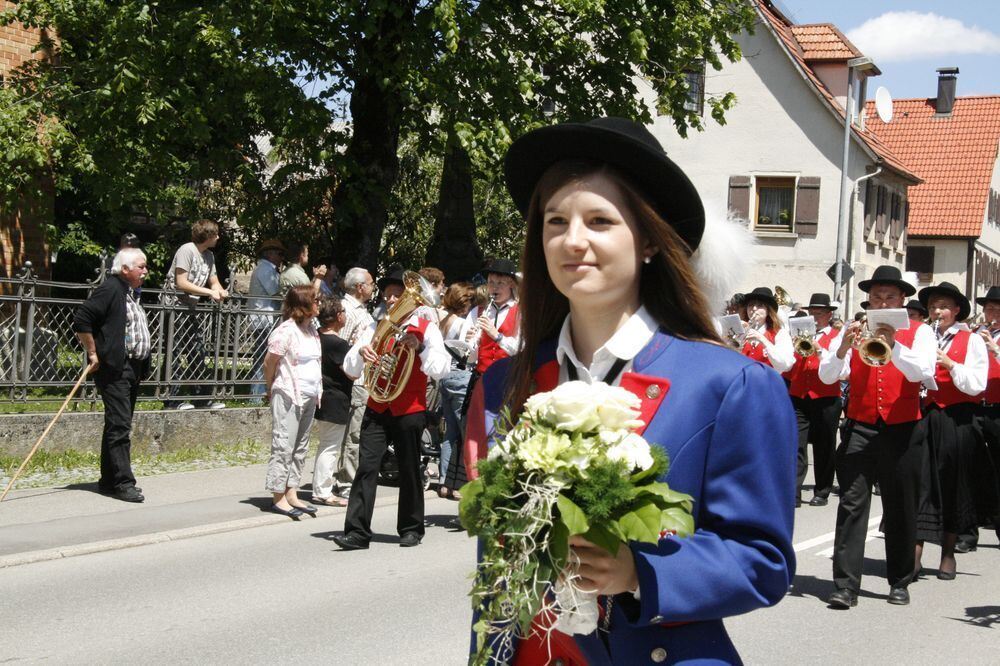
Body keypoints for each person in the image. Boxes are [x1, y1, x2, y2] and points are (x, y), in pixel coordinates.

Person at [464, 117, 797, 664]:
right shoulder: (505, 381)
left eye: (599, 220)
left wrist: (638, 571)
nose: (573, 241)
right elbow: (496, 565)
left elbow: (763, 561)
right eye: (554, 222)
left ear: (646, 241)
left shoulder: (730, 384)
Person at [819, 265, 936, 608]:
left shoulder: (920, 332)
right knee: (852, 505)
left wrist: (894, 344)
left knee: (900, 506)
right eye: (876, 297)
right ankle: (845, 586)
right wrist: (841, 347)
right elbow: (828, 377)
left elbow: (924, 373)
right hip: (860, 426)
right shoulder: (855, 331)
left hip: (902, 430)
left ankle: (900, 579)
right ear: (868, 301)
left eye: (889, 297)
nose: (882, 303)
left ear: (902, 301)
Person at [333, 268, 451, 550]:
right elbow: (350, 368)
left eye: (397, 295)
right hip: (377, 405)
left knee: (410, 469)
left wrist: (420, 347)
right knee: (366, 468)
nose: (391, 300)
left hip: (409, 407)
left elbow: (442, 368)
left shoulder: (426, 327)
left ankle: (411, 528)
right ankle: (358, 531)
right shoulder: (376, 327)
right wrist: (361, 353)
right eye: (387, 295)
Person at [914, 282, 987, 579]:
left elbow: (977, 384)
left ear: (956, 311)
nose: (937, 311)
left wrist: (951, 364)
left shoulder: (972, 341)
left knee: (952, 485)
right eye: (932, 307)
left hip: (957, 418)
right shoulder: (923, 336)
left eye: (943, 306)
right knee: (919, 483)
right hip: (924, 415)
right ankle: (914, 555)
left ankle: (947, 553)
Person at [73, 248, 152, 503]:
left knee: (116, 423)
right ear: (126, 269)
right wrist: (93, 352)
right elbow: (82, 319)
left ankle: (108, 480)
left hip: (131, 367)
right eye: (141, 266)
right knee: (120, 426)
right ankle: (123, 482)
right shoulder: (111, 288)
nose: (146, 271)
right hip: (115, 368)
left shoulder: (129, 291)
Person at [262, 285, 323, 519]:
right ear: (303, 305)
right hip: (288, 393)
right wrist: (270, 387)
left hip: (309, 394)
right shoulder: (285, 331)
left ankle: (292, 491)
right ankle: (277, 495)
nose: (319, 303)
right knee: (283, 445)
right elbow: (270, 362)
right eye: (315, 300)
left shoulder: (312, 330)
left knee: (301, 446)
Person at [161, 219, 228, 410]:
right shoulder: (187, 250)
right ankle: (171, 401)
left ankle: (202, 399)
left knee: (197, 352)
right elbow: (181, 282)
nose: (218, 237)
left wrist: (220, 291)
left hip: (189, 309)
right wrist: (209, 293)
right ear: (207, 235)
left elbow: (213, 282)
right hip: (173, 308)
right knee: (174, 353)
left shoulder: (209, 256)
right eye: (216, 234)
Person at [786, 293, 842, 507]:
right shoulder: (799, 333)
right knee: (797, 444)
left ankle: (822, 490)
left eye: (819, 314)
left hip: (826, 397)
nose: (815, 317)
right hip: (799, 394)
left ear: (829, 315)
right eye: (812, 313)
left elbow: (838, 361)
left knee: (824, 445)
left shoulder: (836, 336)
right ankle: (794, 492)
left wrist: (819, 348)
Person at [335, 267, 377, 498]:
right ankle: (346, 481)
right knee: (353, 434)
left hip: (362, 379)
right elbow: (340, 346)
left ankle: (350, 476)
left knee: (357, 432)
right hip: (355, 379)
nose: (373, 287)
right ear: (360, 287)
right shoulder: (348, 310)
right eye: (370, 283)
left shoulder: (360, 310)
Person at [310, 298, 354, 507]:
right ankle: (323, 491)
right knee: (330, 447)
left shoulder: (316, 336)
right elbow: (351, 374)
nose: (345, 315)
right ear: (338, 317)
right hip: (336, 398)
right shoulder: (338, 344)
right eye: (343, 312)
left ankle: (320, 487)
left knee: (325, 444)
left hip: (322, 395)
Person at [437, 281, 477, 499]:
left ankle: (445, 481)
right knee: (465, 432)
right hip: (462, 376)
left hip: (444, 378)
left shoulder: (443, 320)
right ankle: (462, 482)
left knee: (449, 433)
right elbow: (467, 352)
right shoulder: (462, 324)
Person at [971, 286, 1000, 550]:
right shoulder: (974, 335)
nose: (991, 314)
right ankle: (969, 532)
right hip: (976, 407)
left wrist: (995, 349)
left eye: (997, 310)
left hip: (999, 409)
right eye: (989, 309)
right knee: (973, 468)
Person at [247, 239, 285, 401]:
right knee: (263, 357)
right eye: (279, 253)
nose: (281, 257)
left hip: (265, 319)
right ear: (270, 254)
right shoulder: (265, 269)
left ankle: (259, 394)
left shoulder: (267, 269)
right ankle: (255, 396)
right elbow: (275, 291)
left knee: (263, 356)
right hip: (264, 320)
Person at [741, 287, 795, 373]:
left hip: (768, 383)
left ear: (768, 310)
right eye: (750, 305)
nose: (754, 309)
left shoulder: (780, 333)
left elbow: (786, 365)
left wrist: (763, 340)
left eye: (760, 305)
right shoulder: (741, 331)